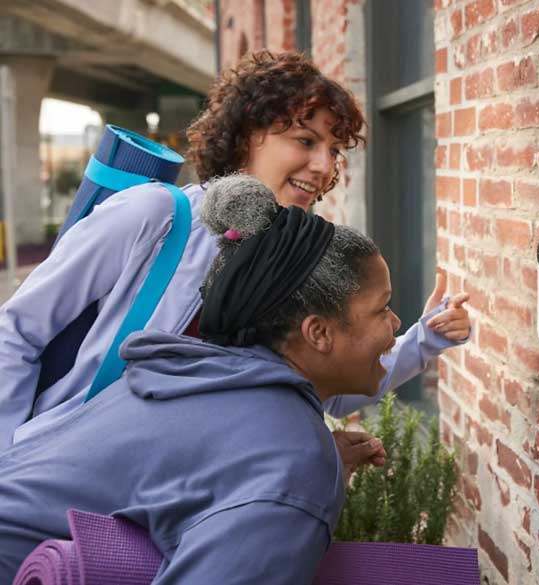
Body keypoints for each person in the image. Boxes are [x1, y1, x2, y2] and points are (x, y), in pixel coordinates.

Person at [0, 50, 469, 452]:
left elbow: (323, 385)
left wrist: (424, 340)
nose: (326, 167)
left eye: (335, 150)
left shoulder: (292, 264)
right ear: (246, 136)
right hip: (64, 477)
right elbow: (18, 332)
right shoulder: (155, 217)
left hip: (169, 504)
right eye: (305, 141)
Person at [0, 175, 441, 582]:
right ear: (319, 333)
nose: (396, 322)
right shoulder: (290, 461)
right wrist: (295, 488)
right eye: (381, 309)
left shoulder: (194, 375)